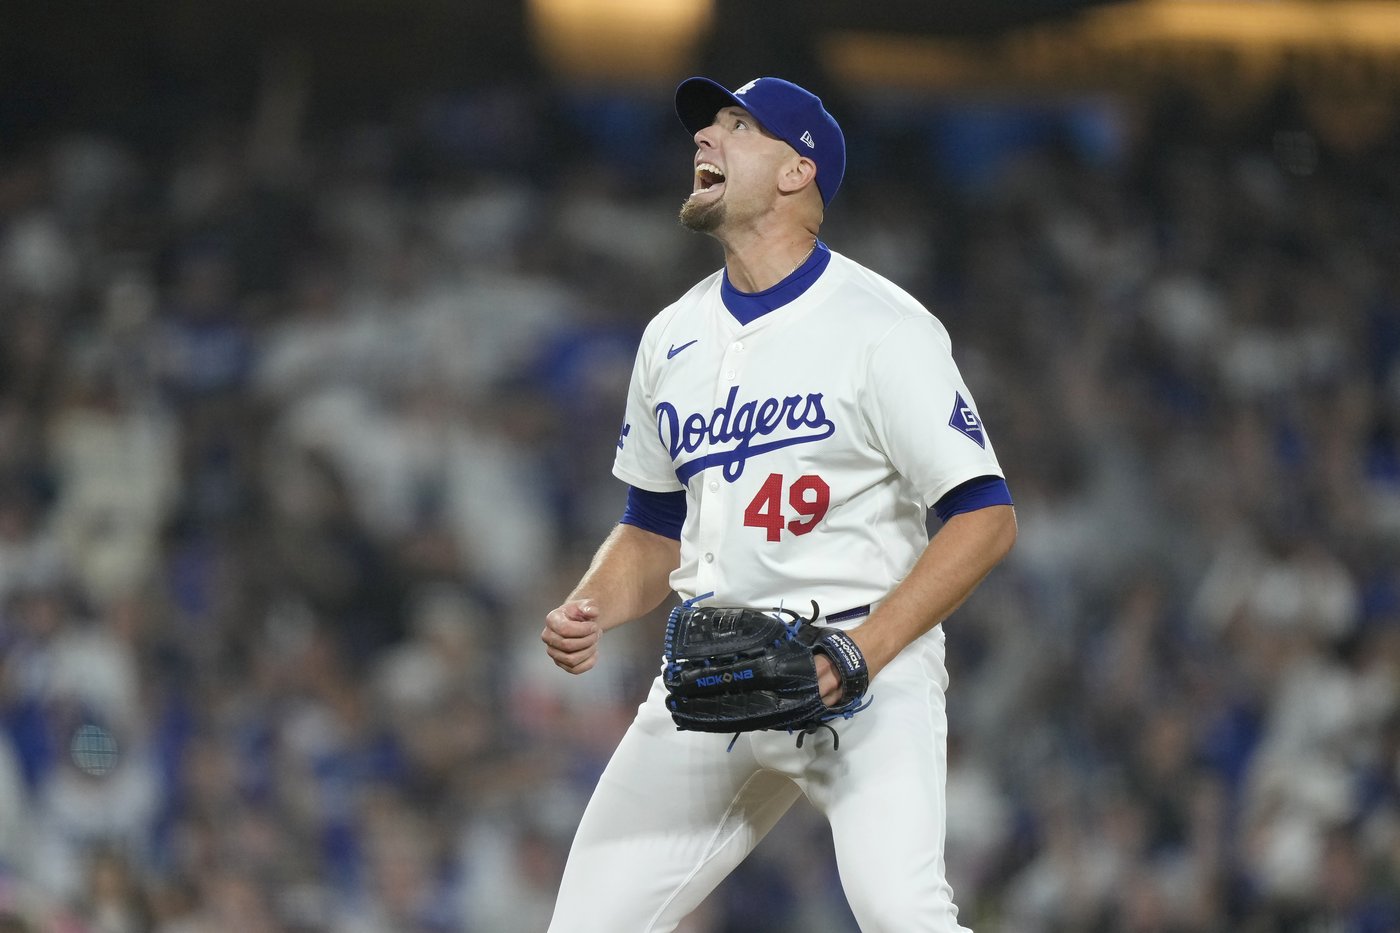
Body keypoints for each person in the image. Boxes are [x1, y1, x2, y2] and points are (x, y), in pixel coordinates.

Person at [540, 75, 1017, 932]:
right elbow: (651, 527)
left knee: (901, 911)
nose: (704, 140)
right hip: (712, 679)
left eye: (736, 125)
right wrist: (591, 603)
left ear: (799, 171)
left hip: (868, 666)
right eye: (704, 127)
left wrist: (864, 651)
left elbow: (985, 516)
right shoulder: (671, 339)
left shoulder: (883, 328)